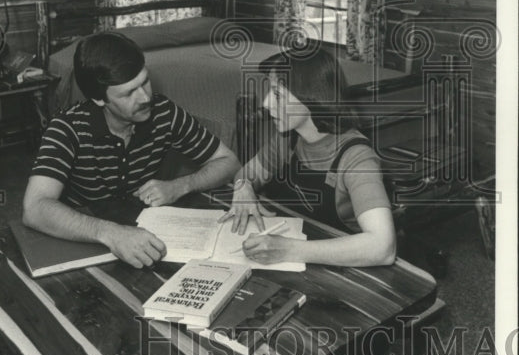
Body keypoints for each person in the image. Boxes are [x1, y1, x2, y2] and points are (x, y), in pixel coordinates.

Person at [23, 31, 240, 268]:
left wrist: (181, 185)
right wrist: (111, 233)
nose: (145, 97)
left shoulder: (164, 112)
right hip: (82, 238)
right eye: (128, 93)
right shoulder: (66, 129)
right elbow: (35, 208)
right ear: (98, 100)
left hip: (142, 234)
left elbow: (228, 161)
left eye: (145, 81)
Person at [220, 45, 396, 268]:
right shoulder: (288, 139)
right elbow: (247, 173)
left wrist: (289, 249)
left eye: (277, 95)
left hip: (341, 264)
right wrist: (243, 186)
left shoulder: (356, 158)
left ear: (312, 96)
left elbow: (383, 247)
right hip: (300, 252)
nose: (265, 104)